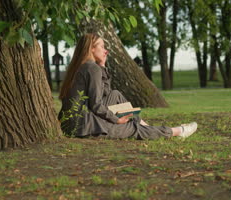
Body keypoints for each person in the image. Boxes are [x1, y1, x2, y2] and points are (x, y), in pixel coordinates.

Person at [58, 33, 197, 139]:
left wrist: (102, 66)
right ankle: (177, 131)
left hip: (73, 121)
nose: (105, 50)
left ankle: (146, 126)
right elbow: (95, 105)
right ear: (91, 49)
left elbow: (106, 93)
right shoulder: (91, 68)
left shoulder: (85, 66)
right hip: (81, 125)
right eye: (101, 46)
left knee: (115, 94)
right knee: (132, 128)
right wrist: (116, 120)